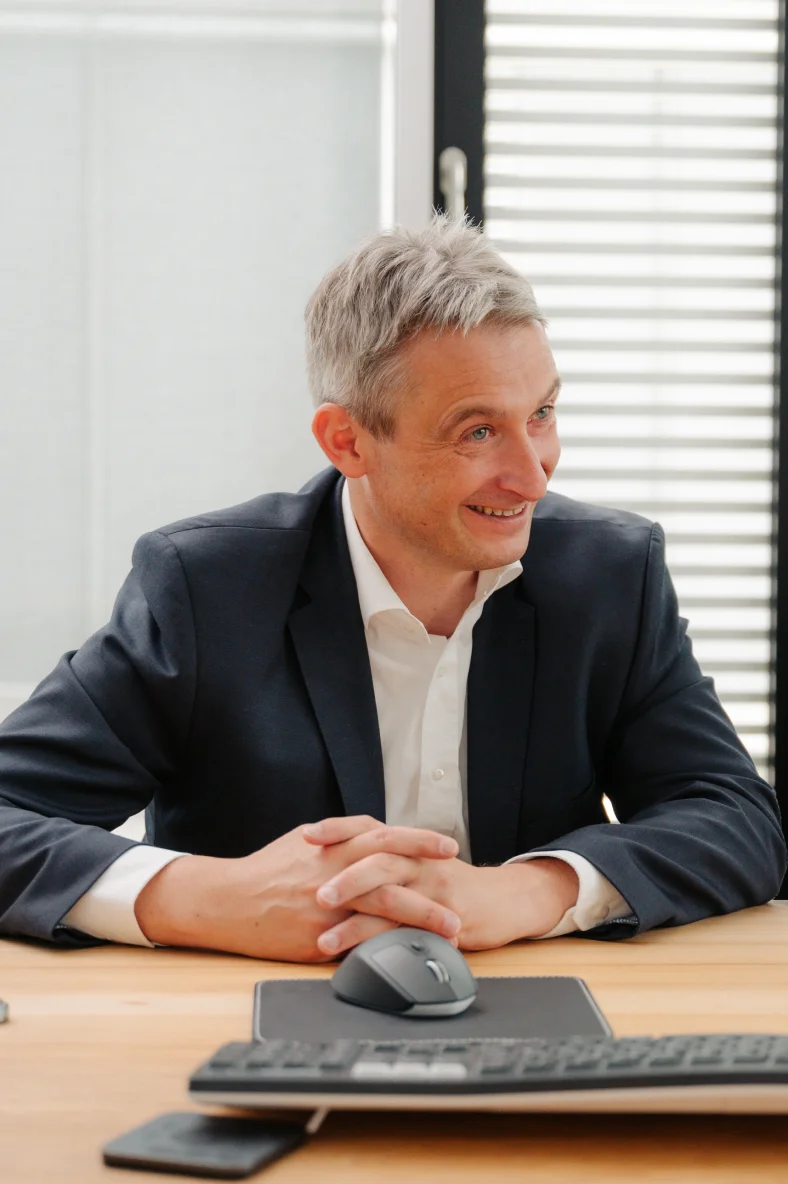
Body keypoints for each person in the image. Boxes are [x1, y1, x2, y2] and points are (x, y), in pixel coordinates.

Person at [0, 217, 784, 962]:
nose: (533, 474)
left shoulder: (611, 575)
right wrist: (212, 898)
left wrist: (524, 892)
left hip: (538, 1009)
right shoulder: (207, 590)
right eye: (478, 431)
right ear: (347, 441)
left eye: (542, 413)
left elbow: (736, 819)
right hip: (249, 1012)